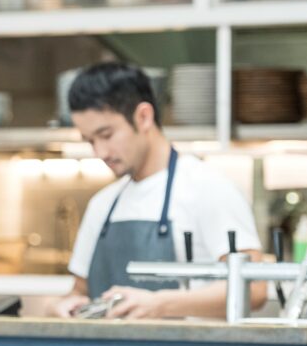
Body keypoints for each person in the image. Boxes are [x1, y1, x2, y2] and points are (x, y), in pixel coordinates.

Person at [48, 62, 266, 319]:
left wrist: (160, 304)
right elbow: (80, 290)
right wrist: (60, 306)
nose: (100, 152)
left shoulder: (209, 189)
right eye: (90, 141)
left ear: (143, 117)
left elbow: (253, 289)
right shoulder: (103, 204)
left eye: (106, 135)